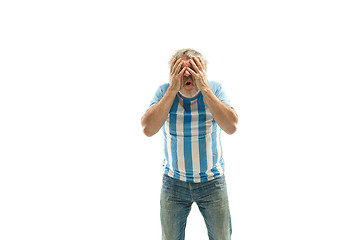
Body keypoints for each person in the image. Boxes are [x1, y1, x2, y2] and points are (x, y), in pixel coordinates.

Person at [141, 48, 238, 240]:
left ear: (203, 71)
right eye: (180, 69)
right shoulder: (164, 92)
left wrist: (205, 88)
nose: (187, 74)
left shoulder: (215, 90)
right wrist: (171, 89)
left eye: (193, 68)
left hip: (212, 181)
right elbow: (148, 129)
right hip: (174, 182)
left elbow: (232, 126)